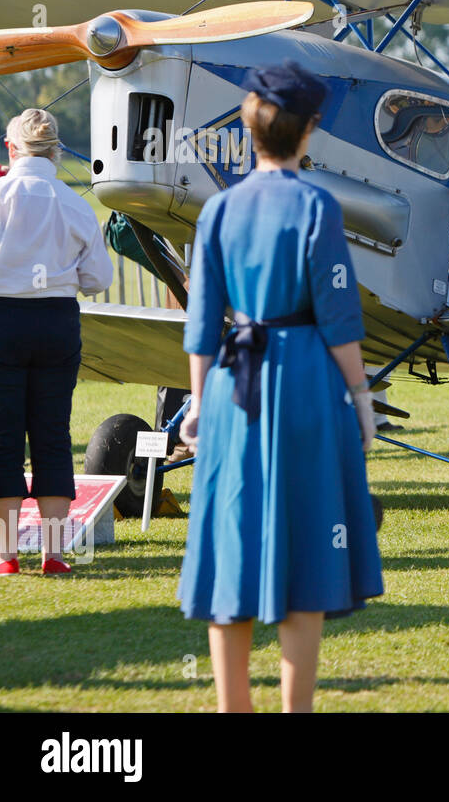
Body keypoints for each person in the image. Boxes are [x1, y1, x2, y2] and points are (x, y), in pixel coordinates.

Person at [178, 61, 383, 712]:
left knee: (232, 538)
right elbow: (339, 314)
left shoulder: (219, 208)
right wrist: (361, 398)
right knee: (311, 545)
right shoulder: (317, 204)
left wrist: (196, 403)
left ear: (249, 125)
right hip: (303, 383)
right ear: (309, 131)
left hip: (232, 389)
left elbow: (202, 321)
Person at [0, 109, 112, 577]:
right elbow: (98, 279)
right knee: (52, 433)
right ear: (56, 150)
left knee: (2, 434)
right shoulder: (75, 203)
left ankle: (5, 556)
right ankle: (55, 553)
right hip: (57, 321)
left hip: (1, 318)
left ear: (10, 148)